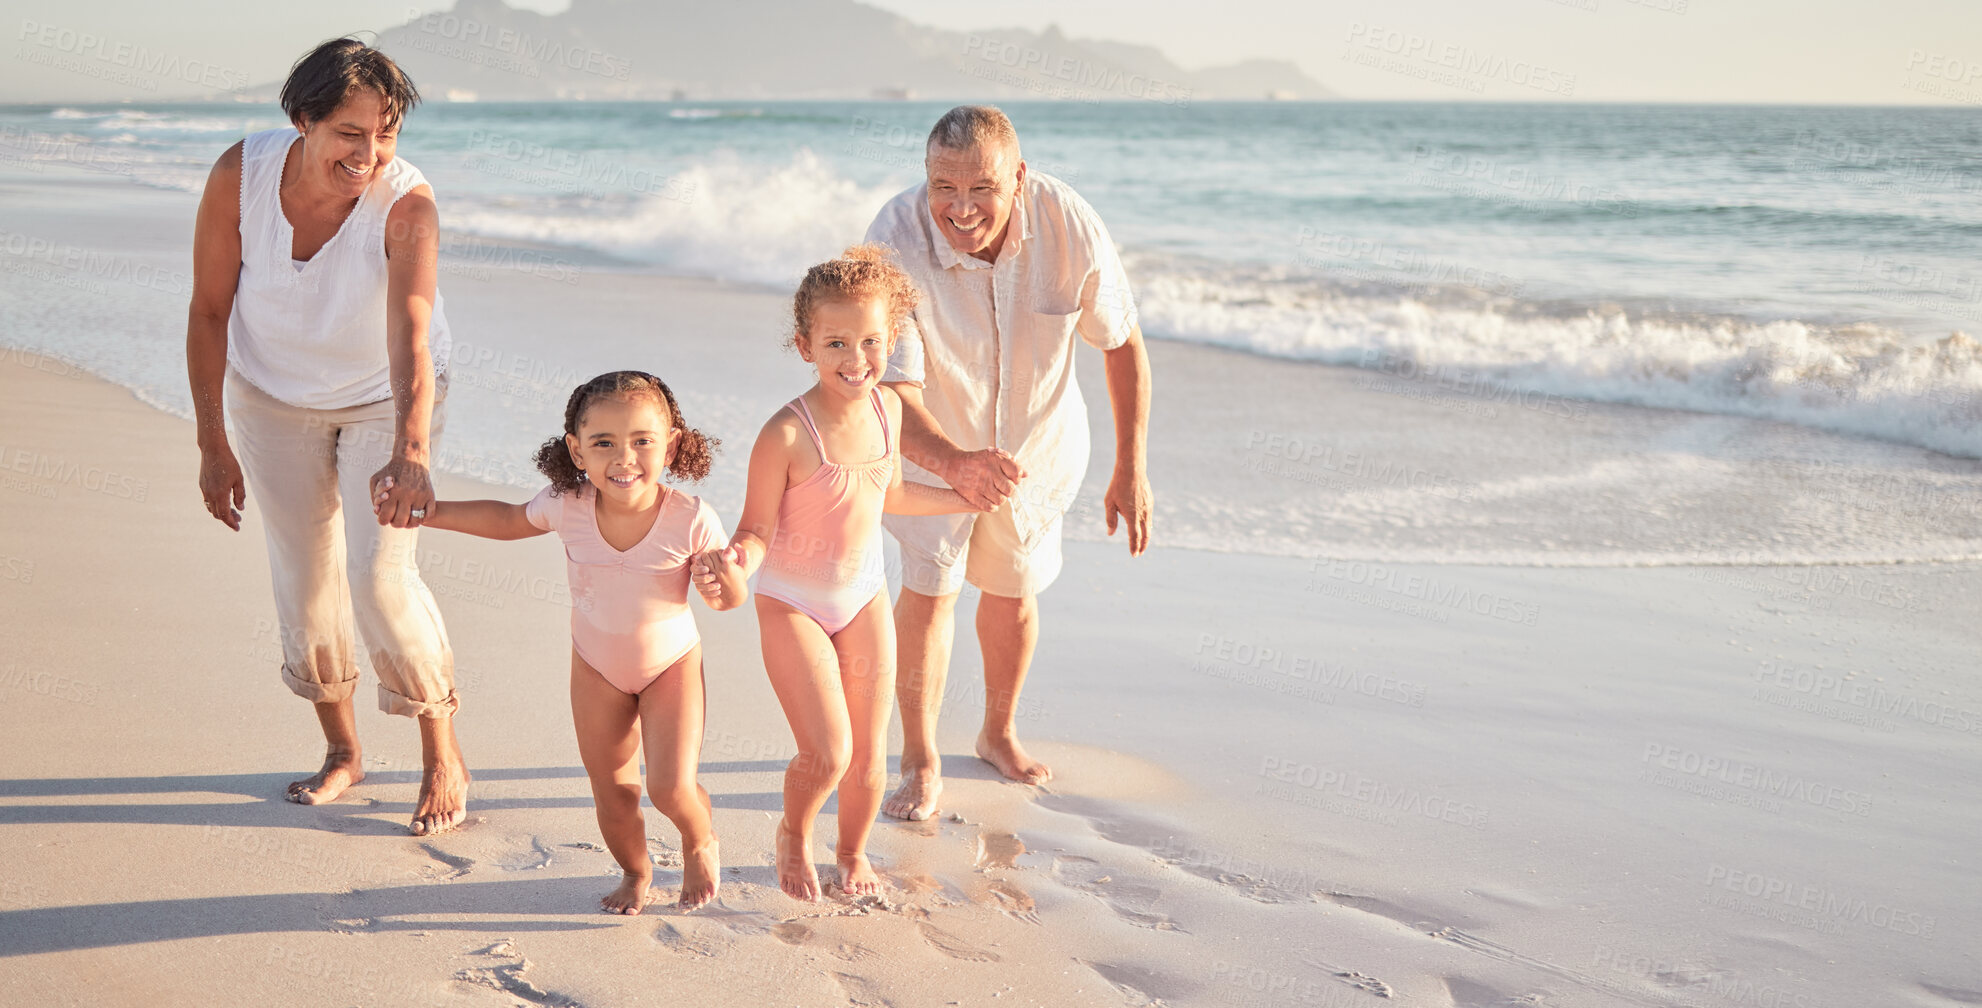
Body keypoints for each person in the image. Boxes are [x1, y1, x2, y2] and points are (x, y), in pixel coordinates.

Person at [185, 38, 468, 834]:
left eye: (387, 134)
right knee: (306, 584)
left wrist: (411, 454)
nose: (370, 153)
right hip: (271, 392)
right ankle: (343, 750)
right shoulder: (239, 177)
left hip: (387, 392)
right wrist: (213, 444)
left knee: (381, 575)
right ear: (302, 120)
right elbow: (208, 313)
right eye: (351, 132)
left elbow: (412, 333)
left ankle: (442, 749)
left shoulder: (407, 205)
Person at [865, 105, 1154, 822]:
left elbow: (1120, 341)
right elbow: (890, 387)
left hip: (1039, 447)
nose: (960, 210)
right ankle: (920, 757)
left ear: (1018, 179)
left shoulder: (1069, 223)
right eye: (943, 187)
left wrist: (1131, 466)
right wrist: (955, 462)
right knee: (930, 590)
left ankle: (997, 732)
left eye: (982, 190)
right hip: (932, 446)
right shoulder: (892, 238)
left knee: (1013, 591)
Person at [692, 246, 984, 901]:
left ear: (893, 340)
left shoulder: (890, 411)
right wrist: (736, 562)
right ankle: (794, 834)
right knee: (828, 752)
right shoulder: (787, 435)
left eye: (872, 342)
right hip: (793, 601)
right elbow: (757, 529)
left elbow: (888, 495)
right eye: (837, 343)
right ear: (805, 346)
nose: (857, 359)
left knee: (869, 759)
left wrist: (964, 498)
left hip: (861, 597)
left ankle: (851, 852)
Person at [394, 371, 733, 913]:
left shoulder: (691, 518)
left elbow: (726, 598)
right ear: (577, 451)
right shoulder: (567, 503)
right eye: (604, 444)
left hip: (671, 665)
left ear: (670, 444)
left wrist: (726, 580)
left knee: (670, 787)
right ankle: (636, 871)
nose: (624, 459)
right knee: (614, 792)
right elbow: (506, 520)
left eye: (642, 441)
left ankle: (699, 839)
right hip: (596, 668)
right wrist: (432, 513)